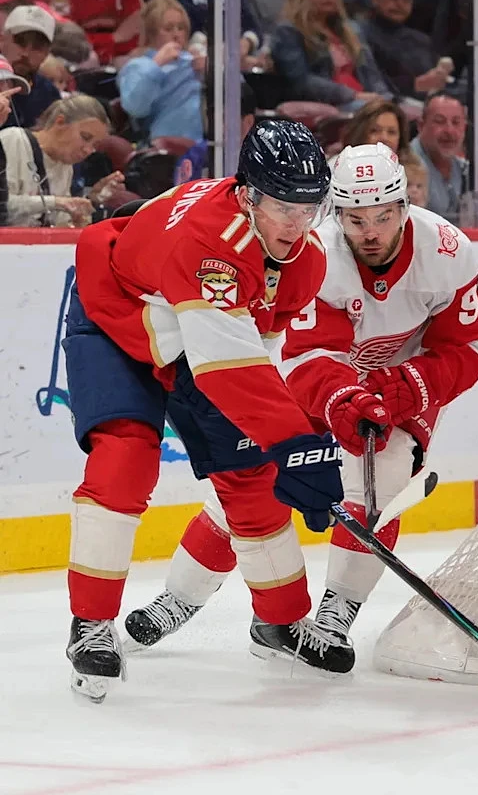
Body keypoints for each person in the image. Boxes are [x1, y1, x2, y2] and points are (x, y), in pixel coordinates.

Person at [123, 143, 478, 672]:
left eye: (383, 217)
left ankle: (336, 614)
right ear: (336, 213)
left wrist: (406, 386)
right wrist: (345, 395)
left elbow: (468, 347)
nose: (370, 232)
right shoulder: (316, 252)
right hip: (320, 383)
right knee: (250, 484)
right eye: (356, 219)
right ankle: (179, 597)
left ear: (404, 206)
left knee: (381, 487)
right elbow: (308, 351)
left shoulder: (449, 251)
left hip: (405, 382)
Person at [62, 119, 349, 702]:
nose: (296, 225)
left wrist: (284, 447)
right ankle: (90, 623)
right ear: (247, 195)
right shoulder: (211, 242)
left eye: (309, 209)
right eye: (283, 207)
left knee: (251, 473)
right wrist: (297, 443)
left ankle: (280, 621)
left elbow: (255, 353)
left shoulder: (306, 261)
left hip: (192, 332)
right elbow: (229, 367)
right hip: (116, 318)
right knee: (124, 458)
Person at [0, 95, 118, 227]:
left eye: (95, 145)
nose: (88, 150)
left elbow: (60, 221)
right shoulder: (13, 139)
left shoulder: (65, 165)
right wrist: (56, 202)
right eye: (85, 137)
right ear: (60, 122)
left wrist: (88, 203)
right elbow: (3, 205)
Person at [116, 0, 205, 142]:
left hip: (209, 141)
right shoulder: (138, 65)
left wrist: (212, 73)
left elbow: (238, 97)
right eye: (168, 29)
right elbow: (135, 107)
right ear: (151, 33)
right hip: (166, 144)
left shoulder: (195, 61)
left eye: (181, 28)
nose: (176, 34)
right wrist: (156, 64)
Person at [410, 90, 468, 223]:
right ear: (421, 125)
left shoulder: (465, 169)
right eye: (440, 121)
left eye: (456, 122)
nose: (449, 130)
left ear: (464, 127)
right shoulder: (403, 166)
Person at [0, 4, 59, 128]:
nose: (25, 54)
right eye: (20, 41)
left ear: (46, 53)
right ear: (2, 40)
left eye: (37, 47)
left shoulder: (48, 93)